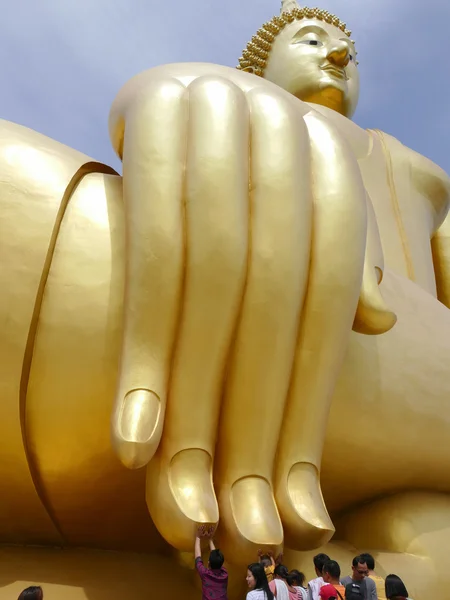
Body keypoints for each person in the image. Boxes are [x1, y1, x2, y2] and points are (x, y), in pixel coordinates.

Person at [194, 526, 228, 600]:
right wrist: (210, 539)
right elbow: (199, 558)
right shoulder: (225, 574)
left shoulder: (205, 574)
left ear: (208, 563)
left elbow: (198, 557)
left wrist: (197, 537)